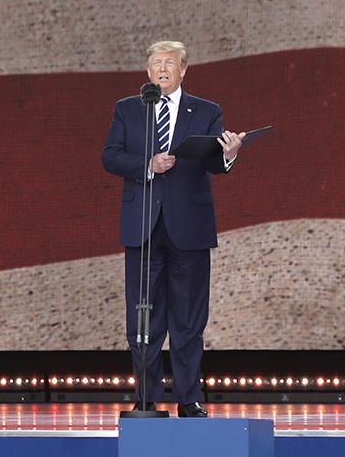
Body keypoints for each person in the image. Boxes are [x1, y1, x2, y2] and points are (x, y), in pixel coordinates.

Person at [101, 40, 246, 417]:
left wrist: (228, 155)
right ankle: (146, 398)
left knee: (188, 320)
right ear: (148, 72)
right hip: (144, 227)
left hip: (190, 227)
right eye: (155, 63)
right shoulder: (129, 109)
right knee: (143, 318)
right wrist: (148, 164)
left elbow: (214, 163)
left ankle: (189, 399)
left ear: (184, 69)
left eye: (169, 63)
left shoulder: (207, 110)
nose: (162, 69)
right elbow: (111, 156)